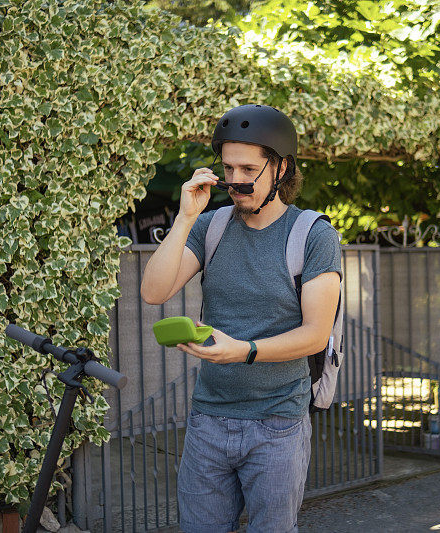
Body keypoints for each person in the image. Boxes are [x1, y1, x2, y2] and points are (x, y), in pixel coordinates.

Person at [140, 104, 342, 533]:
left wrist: (245, 352)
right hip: (208, 422)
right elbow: (153, 292)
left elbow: (315, 335)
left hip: (278, 425)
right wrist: (185, 218)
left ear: (282, 168)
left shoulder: (313, 235)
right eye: (228, 168)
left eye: (248, 168)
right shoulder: (210, 227)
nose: (235, 180)